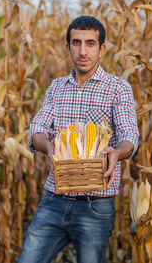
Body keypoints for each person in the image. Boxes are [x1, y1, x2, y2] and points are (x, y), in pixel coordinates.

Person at [18, 16, 139, 263]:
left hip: (96, 205)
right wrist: (48, 145)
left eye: (90, 43)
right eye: (76, 43)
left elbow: (129, 135)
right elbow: (37, 128)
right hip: (54, 199)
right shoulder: (57, 87)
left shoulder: (118, 88)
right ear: (68, 46)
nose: (83, 51)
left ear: (101, 48)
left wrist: (117, 152)